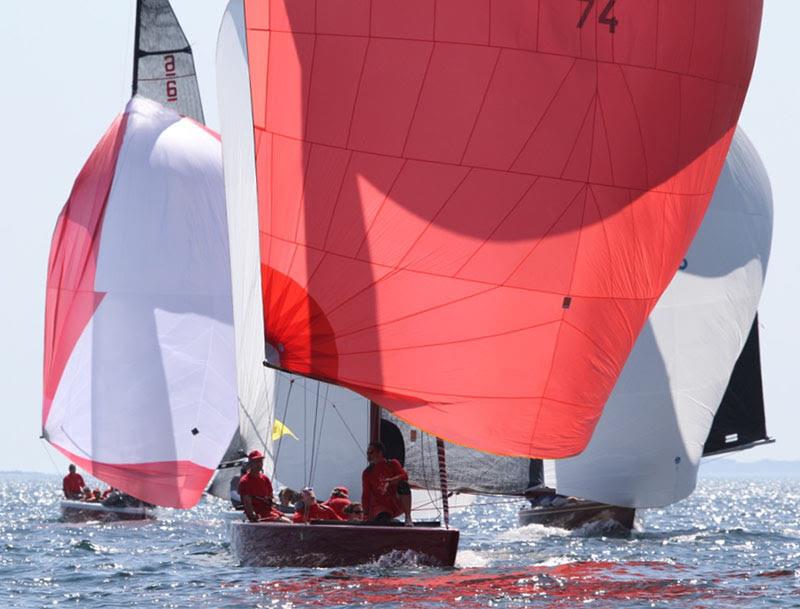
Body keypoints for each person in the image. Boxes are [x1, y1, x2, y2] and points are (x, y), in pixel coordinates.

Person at [361, 441, 412, 525]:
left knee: (404, 485)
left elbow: (404, 476)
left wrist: (391, 481)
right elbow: (366, 495)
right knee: (383, 519)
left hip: (396, 502)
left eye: (371, 453)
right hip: (380, 506)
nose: (368, 456)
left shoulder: (392, 464)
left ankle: (408, 517)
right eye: (367, 453)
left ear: (380, 453)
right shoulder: (367, 473)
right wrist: (365, 514)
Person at [238, 450, 289, 523]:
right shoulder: (245, 481)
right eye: (256, 462)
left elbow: (270, 497)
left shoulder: (265, 479)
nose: (259, 464)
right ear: (250, 464)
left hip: (268, 510)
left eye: (260, 461)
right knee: (286, 522)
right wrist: (253, 516)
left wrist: (271, 500)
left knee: (291, 520)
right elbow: (247, 503)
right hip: (258, 513)